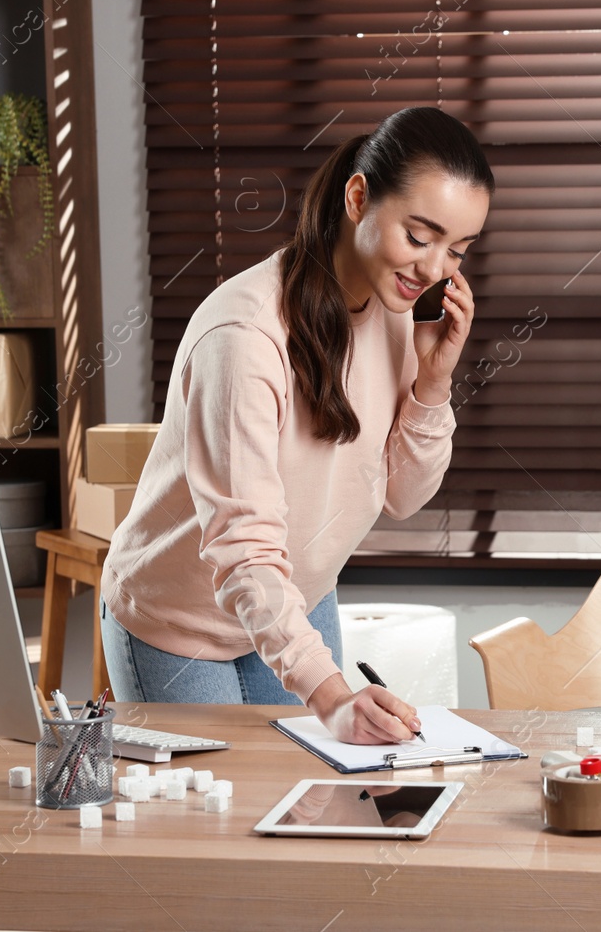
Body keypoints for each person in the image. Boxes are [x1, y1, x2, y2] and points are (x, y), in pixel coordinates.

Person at [100, 107, 492, 744]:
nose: (435, 269)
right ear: (359, 197)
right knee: (218, 819)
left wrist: (433, 383)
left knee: (315, 802)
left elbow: (402, 496)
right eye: (419, 237)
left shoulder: (393, 310)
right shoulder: (245, 335)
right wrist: (333, 693)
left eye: (458, 249)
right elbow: (244, 547)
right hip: (181, 619)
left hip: (294, 602)